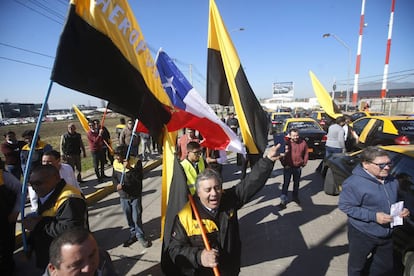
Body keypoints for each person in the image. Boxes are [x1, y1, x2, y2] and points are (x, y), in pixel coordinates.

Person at [165, 144, 282, 275]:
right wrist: (199, 257)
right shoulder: (186, 216)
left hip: (229, 270)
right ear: (198, 192)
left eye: (217, 188)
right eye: (208, 190)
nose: (214, 193)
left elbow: (249, 184)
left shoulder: (228, 200)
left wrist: (267, 161)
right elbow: (174, 250)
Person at [338, 146, 410, 275]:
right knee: (356, 267)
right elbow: (346, 206)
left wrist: (404, 209)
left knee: (384, 267)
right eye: (381, 165)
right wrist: (374, 216)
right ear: (366, 164)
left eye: (388, 163)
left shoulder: (392, 180)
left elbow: (397, 198)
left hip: (387, 233)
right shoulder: (353, 183)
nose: (387, 167)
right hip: (362, 233)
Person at [22, 164, 89, 269]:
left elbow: (71, 230)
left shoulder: (69, 199)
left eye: (38, 183)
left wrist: (38, 225)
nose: (34, 188)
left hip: (65, 260)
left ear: (56, 178)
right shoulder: (46, 192)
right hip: (50, 255)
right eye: (31, 184)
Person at [112, 145, 150, 248]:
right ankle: (133, 234)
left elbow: (139, 178)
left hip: (135, 195)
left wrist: (129, 168)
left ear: (124, 155)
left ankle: (140, 235)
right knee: (129, 217)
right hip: (123, 196)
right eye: (115, 156)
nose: (116, 158)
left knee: (136, 216)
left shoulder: (136, 162)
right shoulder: (115, 163)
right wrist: (116, 185)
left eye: (118, 156)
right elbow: (114, 177)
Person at [43, 228, 118, 276]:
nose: (88, 268)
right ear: (53, 269)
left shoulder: (101, 256)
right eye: (77, 264)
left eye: (92, 256)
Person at [20, 129, 53, 211]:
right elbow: (23, 164)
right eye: (26, 139)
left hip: (43, 175)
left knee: (46, 194)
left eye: (29, 138)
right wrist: (26, 177)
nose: (27, 141)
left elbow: (49, 161)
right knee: (33, 196)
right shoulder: (25, 149)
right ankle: (35, 211)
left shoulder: (45, 147)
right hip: (31, 176)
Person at [0, 158, 22, 275]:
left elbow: (20, 190)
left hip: (5, 218)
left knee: (5, 247)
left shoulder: (3, 176)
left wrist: (16, 211)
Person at [279, 128, 309, 208]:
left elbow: (306, 153)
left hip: (298, 167)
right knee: (286, 184)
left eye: (297, 135)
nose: (296, 137)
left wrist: (304, 162)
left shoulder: (303, 143)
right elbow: (281, 154)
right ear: (290, 136)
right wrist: (284, 164)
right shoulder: (286, 143)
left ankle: (295, 197)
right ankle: (283, 200)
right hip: (288, 167)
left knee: (296, 184)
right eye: (294, 136)